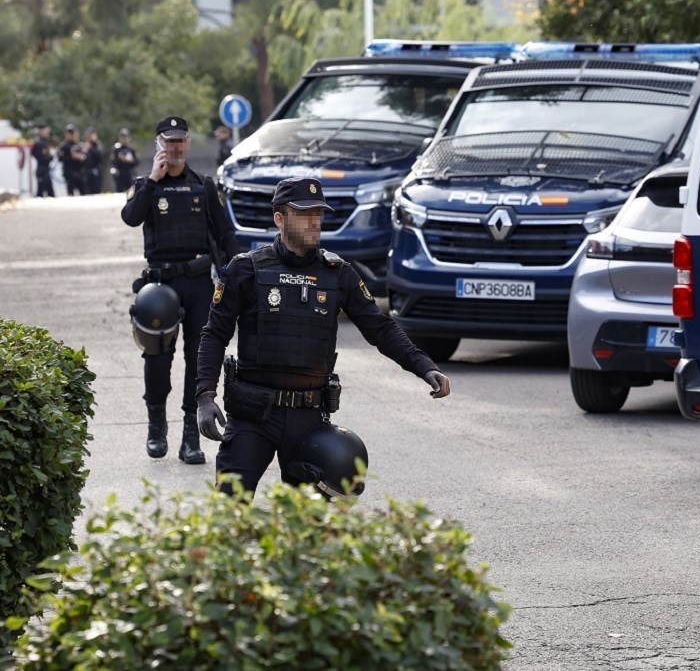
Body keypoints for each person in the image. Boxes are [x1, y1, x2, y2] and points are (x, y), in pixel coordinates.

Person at [195, 177, 452, 495]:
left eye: (318, 213)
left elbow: (380, 329)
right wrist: (205, 397)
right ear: (280, 219)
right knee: (228, 512)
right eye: (304, 214)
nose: (315, 221)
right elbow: (214, 334)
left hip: (309, 420)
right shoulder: (245, 269)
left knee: (314, 528)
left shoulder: (337, 274)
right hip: (252, 416)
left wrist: (424, 366)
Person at [121, 115, 243, 463]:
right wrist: (153, 181)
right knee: (157, 359)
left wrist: (239, 269)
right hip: (160, 286)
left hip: (198, 282)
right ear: (159, 144)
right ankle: (156, 426)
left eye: (180, 141)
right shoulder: (146, 184)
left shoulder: (203, 186)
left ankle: (192, 435)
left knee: (198, 359)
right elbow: (130, 217)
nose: (174, 148)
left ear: (187, 144)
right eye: (168, 141)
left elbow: (225, 233)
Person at [57, 123, 85, 196]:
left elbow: (86, 158)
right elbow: (60, 158)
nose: (72, 135)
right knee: (70, 194)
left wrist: (81, 157)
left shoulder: (80, 145)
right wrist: (71, 157)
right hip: (69, 173)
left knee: (83, 193)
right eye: (70, 133)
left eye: (73, 133)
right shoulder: (64, 146)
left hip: (80, 173)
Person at [30, 124, 54, 197]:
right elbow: (42, 158)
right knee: (41, 193)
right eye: (46, 131)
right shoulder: (39, 143)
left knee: (50, 193)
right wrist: (50, 155)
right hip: (42, 170)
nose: (47, 133)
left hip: (45, 170)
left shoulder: (44, 142)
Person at [110, 128, 137, 193]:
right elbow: (113, 161)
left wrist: (131, 161)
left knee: (131, 192)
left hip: (129, 173)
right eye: (122, 137)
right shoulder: (116, 149)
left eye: (126, 137)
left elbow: (136, 161)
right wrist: (121, 159)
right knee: (119, 192)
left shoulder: (131, 149)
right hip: (119, 173)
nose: (124, 139)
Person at [82, 127, 103, 194]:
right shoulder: (84, 145)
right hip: (87, 171)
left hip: (96, 170)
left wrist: (91, 148)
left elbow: (100, 156)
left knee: (97, 190)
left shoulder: (97, 144)